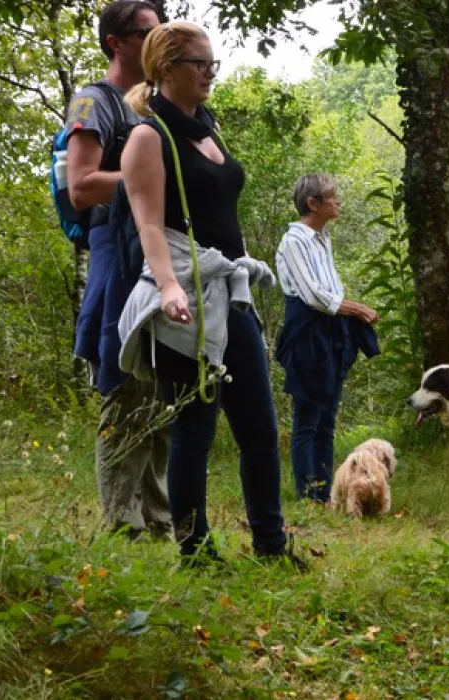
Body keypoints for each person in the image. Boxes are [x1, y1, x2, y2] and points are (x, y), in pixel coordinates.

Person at [115, 21, 303, 569]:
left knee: (261, 431)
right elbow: (149, 225)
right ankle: (195, 553)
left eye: (213, 63)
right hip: (187, 299)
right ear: (165, 67)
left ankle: (272, 545)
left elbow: (226, 216)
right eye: (199, 63)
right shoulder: (149, 137)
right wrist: (170, 287)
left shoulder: (209, 127)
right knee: (193, 434)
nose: (210, 73)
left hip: (229, 291)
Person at [67, 0, 171, 539]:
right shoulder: (96, 101)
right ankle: (121, 524)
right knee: (124, 386)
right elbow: (82, 188)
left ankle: (160, 519)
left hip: (167, 255)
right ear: (118, 42)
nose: (161, 39)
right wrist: (143, 172)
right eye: (148, 32)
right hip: (120, 253)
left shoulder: (163, 103)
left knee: (166, 394)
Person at [273, 173, 380, 503]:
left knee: (327, 417)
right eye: (331, 197)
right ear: (313, 203)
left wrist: (346, 313)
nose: (338, 202)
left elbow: (329, 291)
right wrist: (357, 309)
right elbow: (313, 296)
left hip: (331, 332)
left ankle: (327, 490)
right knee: (308, 415)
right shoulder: (294, 241)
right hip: (307, 332)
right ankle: (308, 492)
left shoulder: (322, 240)